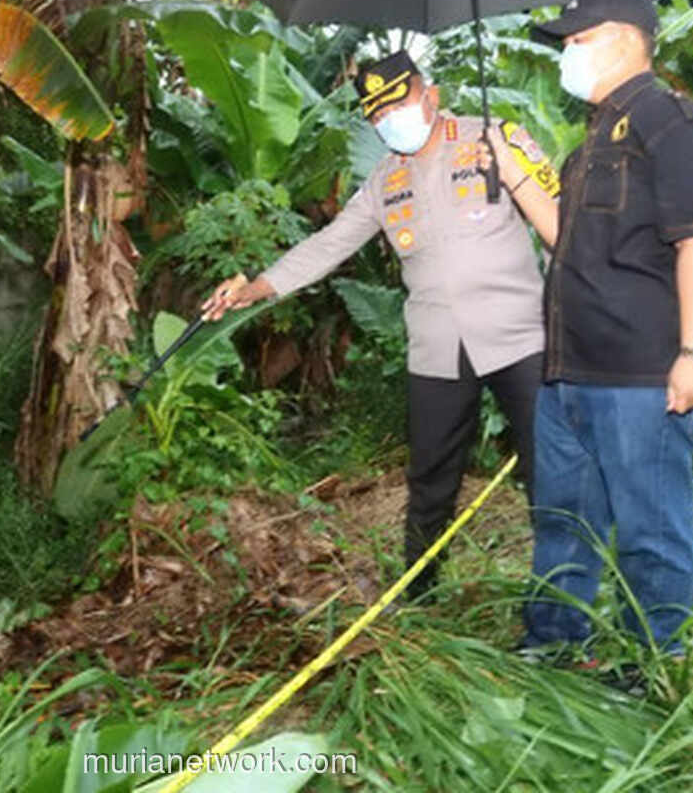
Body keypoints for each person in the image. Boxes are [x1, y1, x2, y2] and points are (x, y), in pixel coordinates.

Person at [202, 51, 560, 601]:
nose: (389, 120)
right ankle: (418, 593)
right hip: (439, 348)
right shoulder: (384, 182)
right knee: (431, 478)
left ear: (430, 95)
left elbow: (564, 219)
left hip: (521, 338)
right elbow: (328, 244)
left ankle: (559, 598)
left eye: (400, 103)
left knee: (550, 469)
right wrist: (255, 286)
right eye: (377, 113)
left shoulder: (496, 138)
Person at [486, 0, 693, 656]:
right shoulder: (591, 139)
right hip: (569, 370)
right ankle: (555, 640)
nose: (566, 53)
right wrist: (515, 177)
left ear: (624, 39)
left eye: (575, 40)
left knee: (650, 528)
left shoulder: (672, 124)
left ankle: (651, 663)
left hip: (641, 372)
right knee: (563, 521)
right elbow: (566, 236)